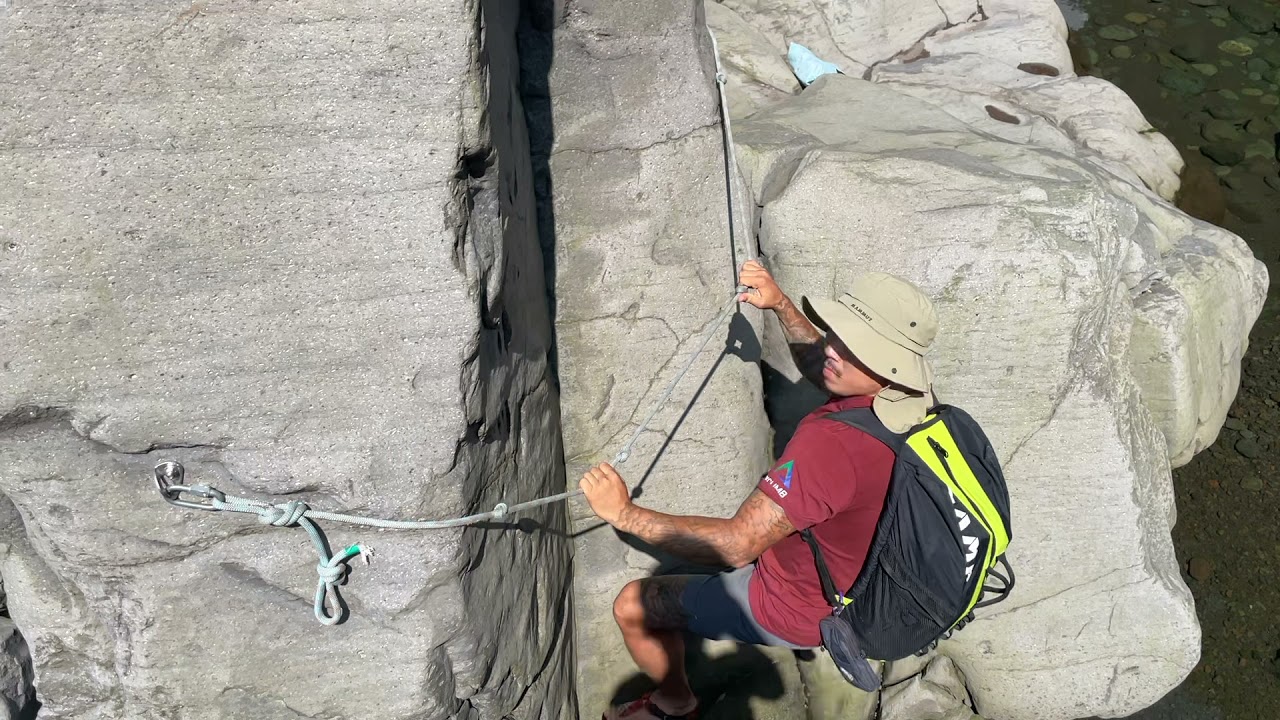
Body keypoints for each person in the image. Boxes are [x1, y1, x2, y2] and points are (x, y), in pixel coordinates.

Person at [579, 260, 942, 720]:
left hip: (794, 604)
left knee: (634, 605)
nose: (832, 349)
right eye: (837, 333)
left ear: (887, 364)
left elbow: (737, 545)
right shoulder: (913, 404)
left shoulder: (832, 447)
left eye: (853, 347)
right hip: (862, 581)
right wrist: (781, 305)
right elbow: (827, 367)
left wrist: (623, 513)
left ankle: (676, 703)